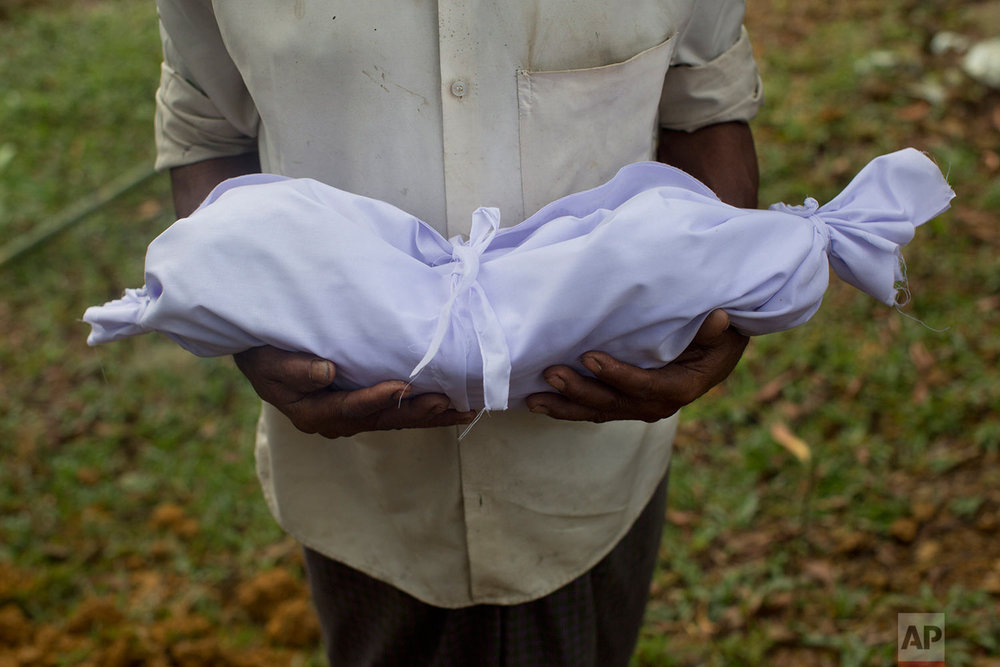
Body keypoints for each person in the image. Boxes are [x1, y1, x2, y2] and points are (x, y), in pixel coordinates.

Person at [153, 1, 761, 664]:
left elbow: (704, 108)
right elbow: (209, 129)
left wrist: (728, 301)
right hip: (366, 496)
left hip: (589, 480)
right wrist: (248, 324)